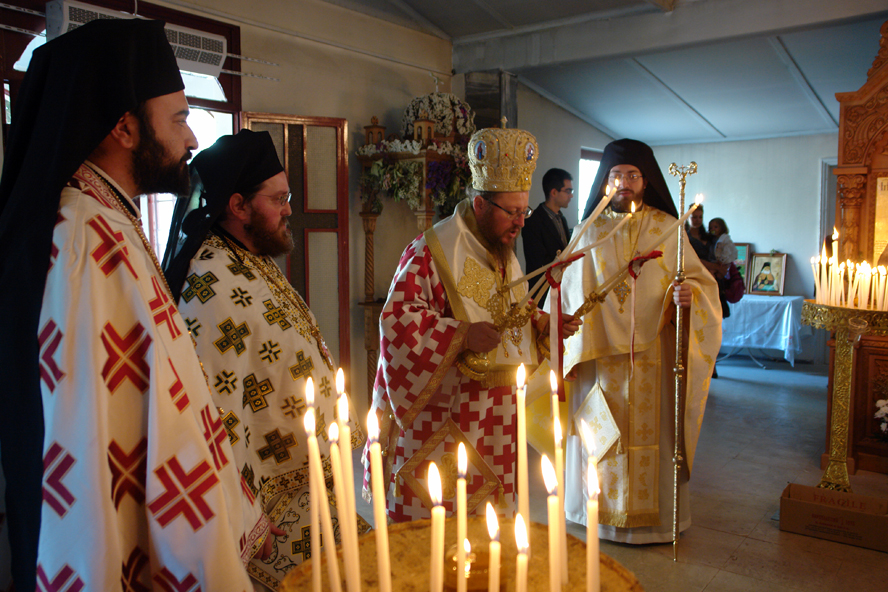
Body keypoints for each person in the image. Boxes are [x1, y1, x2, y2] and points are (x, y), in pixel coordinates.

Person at [0, 20, 270, 590]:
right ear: (124, 127)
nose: (192, 139)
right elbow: (90, 432)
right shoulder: (83, 235)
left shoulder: (107, 215)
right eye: (178, 119)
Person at [164, 130, 364, 589]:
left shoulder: (250, 257)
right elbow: (213, 412)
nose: (289, 209)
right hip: (270, 508)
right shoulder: (211, 285)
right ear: (238, 206)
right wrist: (243, 513)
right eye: (279, 199)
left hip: (304, 484)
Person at [363, 125, 580, 522]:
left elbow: (506, 308)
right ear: (480, 204)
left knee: (489, 525)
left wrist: (541, 323)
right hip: (444, 416)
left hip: (497, 415)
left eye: (524, 211)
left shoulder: (499, 250)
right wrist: (461, 335)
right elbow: (398, 321)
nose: (521, 223)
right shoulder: (431, 251)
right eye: (512, 212)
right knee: (438, 526)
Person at [559, 138, 721, 543]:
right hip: (599, 361)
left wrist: (688, 297)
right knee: (601, 435)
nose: (625, 182)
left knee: (653, 437)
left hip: (653, 356)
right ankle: (596, 514)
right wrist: (568, 344)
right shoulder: (587, 231)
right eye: (617, 175)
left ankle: (655, 523)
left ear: (646, 181)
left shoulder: (667, 229)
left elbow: (700, 284)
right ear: (605, 181)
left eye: (633, 175)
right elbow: (565, 291)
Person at [523, 168, 573, 296]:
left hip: (562, 287)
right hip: (542, 290)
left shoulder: (561, 218)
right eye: (568, 191)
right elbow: (537, 261)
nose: (571, 196)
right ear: (554, 192)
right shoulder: (533, 220)